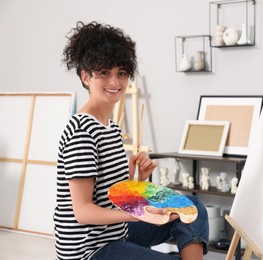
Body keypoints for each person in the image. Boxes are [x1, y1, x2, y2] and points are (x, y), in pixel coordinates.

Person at [54, 21, 209, 260]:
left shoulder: (111, 127)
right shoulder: (81, 131)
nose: (115, 82)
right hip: (88, 251)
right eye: (104, 73)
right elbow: (83, 212)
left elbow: (111, 194)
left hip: (115, 235)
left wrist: (139, 180)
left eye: (122, 73)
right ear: (86, 77)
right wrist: (140, 213)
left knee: (192, 207)